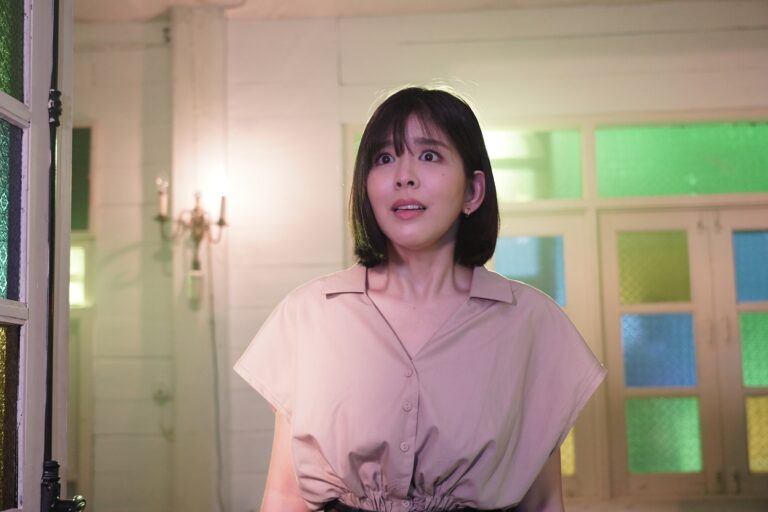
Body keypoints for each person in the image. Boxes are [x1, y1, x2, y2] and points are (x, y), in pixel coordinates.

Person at [234, 87, 606, 512]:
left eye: (429, 156)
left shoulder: (532, 323)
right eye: (384, 158)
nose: (403, 176)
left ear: (473, 191)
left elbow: (542, 501)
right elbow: (285, 494)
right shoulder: (310, 314)